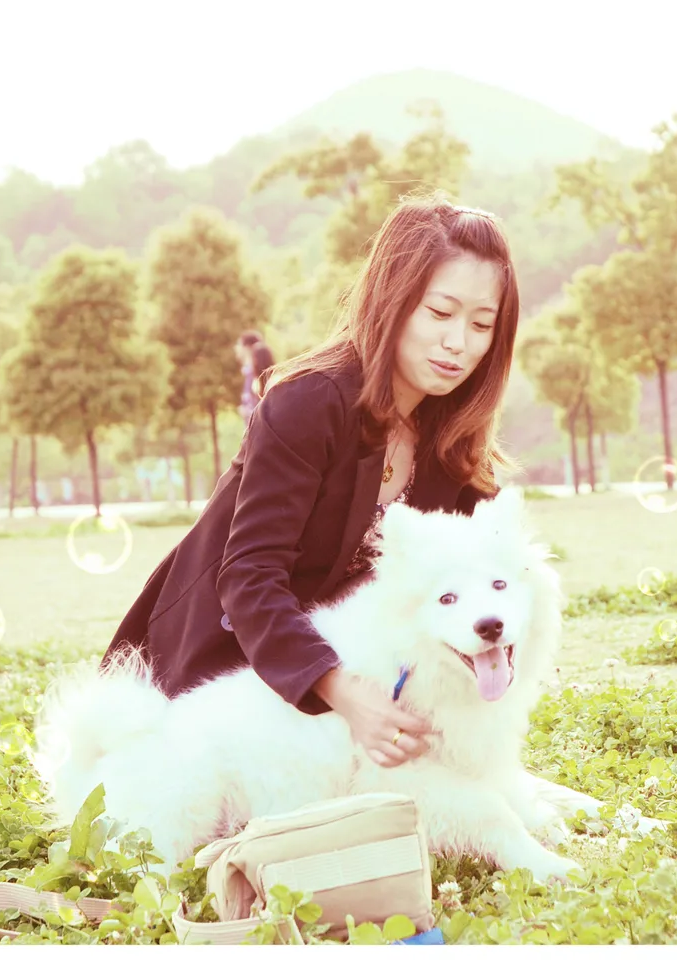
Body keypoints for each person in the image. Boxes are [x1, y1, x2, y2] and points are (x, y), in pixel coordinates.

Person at [101, 192, 519, 770]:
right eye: (440, 313)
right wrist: (343, 693)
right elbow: (249, 575)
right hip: (219, 673)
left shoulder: (454, 444)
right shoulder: (308, 404)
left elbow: (481, 580)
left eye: (481, 324)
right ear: (392, 301)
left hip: (353, 686)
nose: (459, 343)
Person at [235, 331, 275, 421]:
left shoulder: (260, 378)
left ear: (247, 347)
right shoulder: (248, 375)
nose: (236, 348)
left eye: (239, 345)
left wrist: (247, 412)